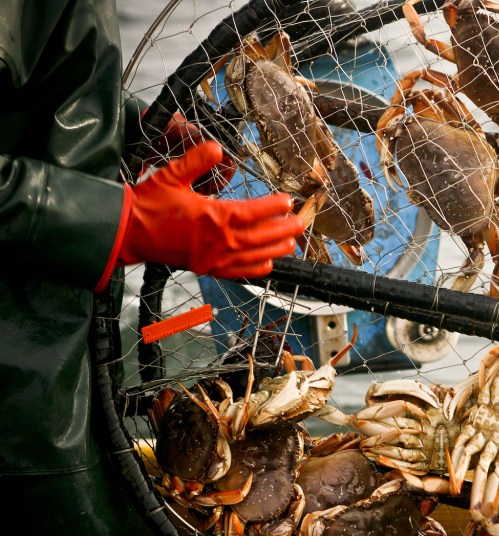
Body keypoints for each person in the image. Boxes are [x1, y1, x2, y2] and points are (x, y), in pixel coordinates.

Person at [0, 0, 305, 532]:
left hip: (58, 344)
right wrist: (121, 222)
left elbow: (30, 88)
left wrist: (127, 127)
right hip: (16, 387)